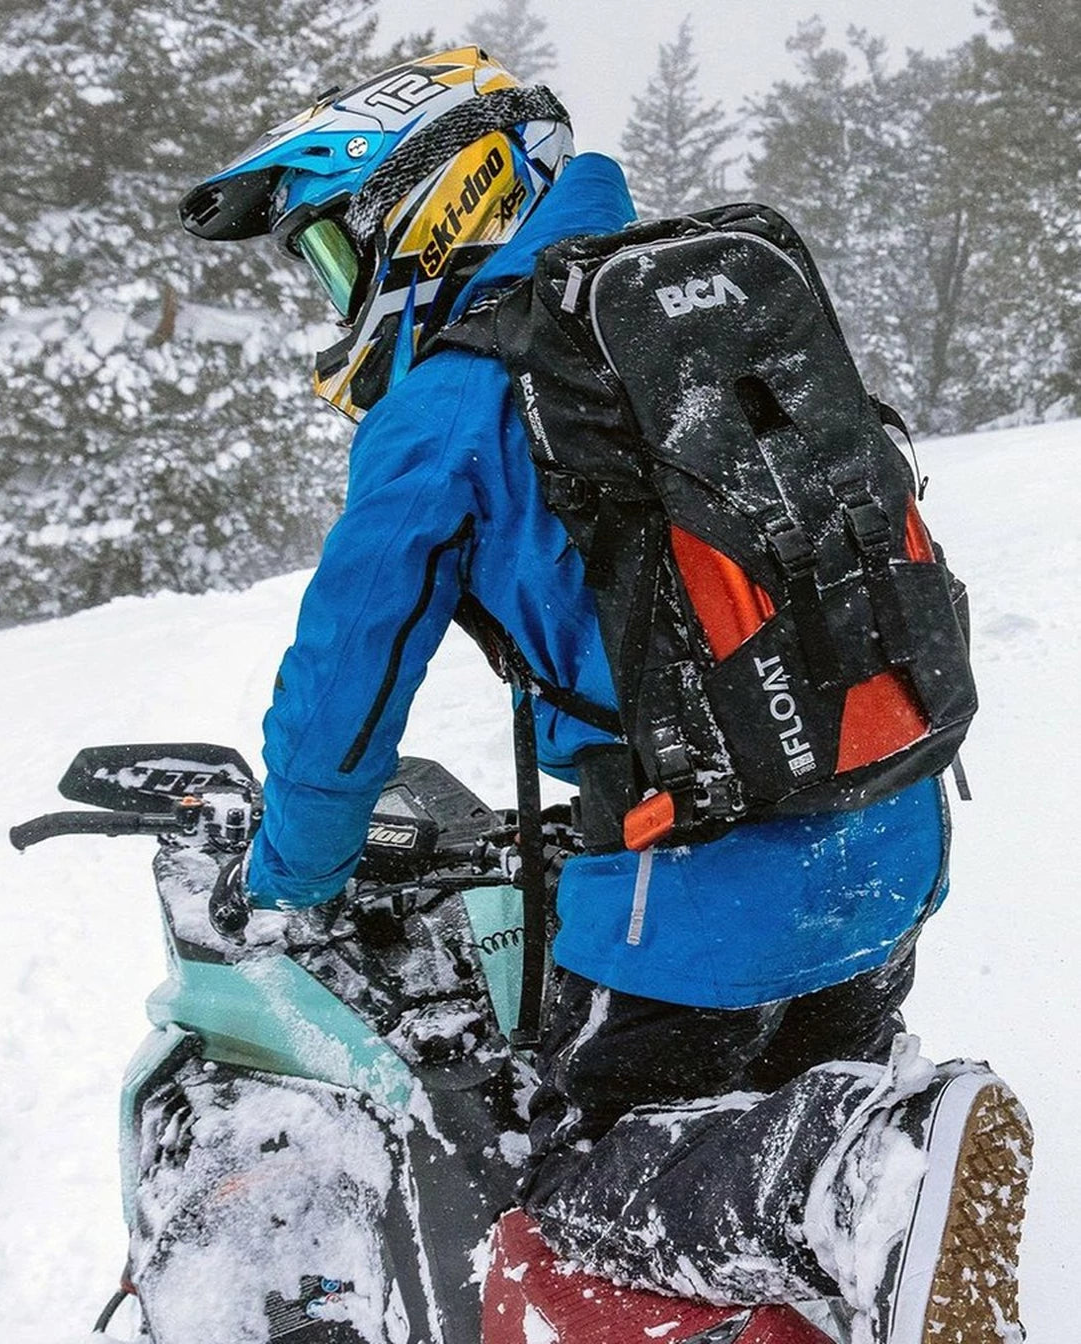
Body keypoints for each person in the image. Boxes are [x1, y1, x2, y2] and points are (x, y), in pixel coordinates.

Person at [180, 47, 1031, 1344]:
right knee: (774, 1169)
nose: (339, 295)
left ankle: (863, 1172)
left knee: (575, 1199)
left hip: (692, 894)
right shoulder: (700, 312)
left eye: (339, 252)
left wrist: (290, 875)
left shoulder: (453, 399)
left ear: (437, 203)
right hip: (893, 827)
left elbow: (343, 684)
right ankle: (863, 1189)